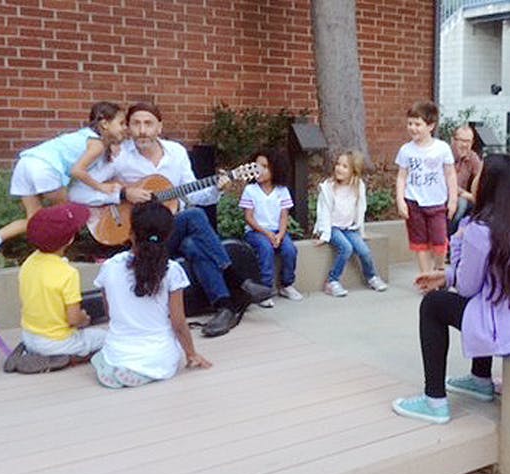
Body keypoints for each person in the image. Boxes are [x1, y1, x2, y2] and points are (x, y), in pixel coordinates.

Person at [392, 154, 510, 424]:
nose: (475, 178)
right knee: (489, 297)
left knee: (433, 305)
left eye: (480, 173)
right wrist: (447, 275)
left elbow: (469, 289)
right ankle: (479, 380)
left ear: (490, 186)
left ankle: (434, 401)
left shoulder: (480, 230)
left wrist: (458, 242)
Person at [110, 102, 273, 337]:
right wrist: (124, 194)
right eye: (136, 123)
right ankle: (237, 279)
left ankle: (224, 306)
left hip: (172, 231)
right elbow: (92, 190)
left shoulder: (175, 153)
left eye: (148, 124)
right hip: (139, 237)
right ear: (128, 127)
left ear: (159, 127)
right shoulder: (119, 157)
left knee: (193, 245)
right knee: (194, 216)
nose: (142, 130)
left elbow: (195, 194)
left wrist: (218, 188)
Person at [0, 101, 126, 275]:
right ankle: (55, 257)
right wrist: (100, 187)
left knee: (35, 220)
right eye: (121, 123)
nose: (125, 128)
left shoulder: (88, 138)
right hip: (45, 168)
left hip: (26, 163)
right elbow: (77, 171)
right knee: (65, 217)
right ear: (105, 124)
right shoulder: (97, 145)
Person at [91, 202, 212, 388]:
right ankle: (141, 371)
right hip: (158, 356)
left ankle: (117, 369)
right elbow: (178, 322)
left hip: (117, 351)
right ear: (168, 235)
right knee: (162, 356)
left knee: (104, 356)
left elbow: (109, 312)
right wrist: (191, 353)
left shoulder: (109, 266)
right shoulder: (172, 271)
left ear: (131, 233)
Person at [8, 203, 106, 373]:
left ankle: (31, 353)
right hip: (57, 342)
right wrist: (84, 318)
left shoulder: (29, 262)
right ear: (69, 239)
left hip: (29, 336)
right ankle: (64, 359)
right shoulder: (67, 273)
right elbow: (73, 320)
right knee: (106, 338)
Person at [312, 150, 388, 297]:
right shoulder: (328, 187)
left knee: (364, 251)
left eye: (345, 166)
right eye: (338, 164)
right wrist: (324, 235)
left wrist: (361, 231)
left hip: (349, 228)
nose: (339, 168)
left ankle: (372, 277)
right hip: (332, 228)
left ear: (354, 171)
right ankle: (332, 281)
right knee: (346, 248)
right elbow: (324, 213)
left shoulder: (358, 186)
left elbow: (361, 209)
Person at [395, 101, 458, 274]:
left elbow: (450, 174)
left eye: (418, 124)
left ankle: (438, 268)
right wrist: (400, 200)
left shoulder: (442, 148)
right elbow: (402, 177)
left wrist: (452, 200)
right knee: (419, 242)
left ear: (430, 126)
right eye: (410, 123)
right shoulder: (406, 150)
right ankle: (425, 276)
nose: (413, 128)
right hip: (413, 202)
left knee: (439, 241)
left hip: (437, 203)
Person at [239, 147, 303, 307]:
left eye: (265, 167)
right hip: (256, 232)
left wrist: (281, 234)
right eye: (256, 166)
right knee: (265, 248)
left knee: (290, 249)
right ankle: (264, 290)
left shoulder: (282, 191)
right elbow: (249, 217)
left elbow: (284, 216)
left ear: (276, 169)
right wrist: (266, 233)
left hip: (277, 231)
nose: (259, 170)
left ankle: (287, 285)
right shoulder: (250, 190)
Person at [449, 125, 483, 235]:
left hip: (465, 197)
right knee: (462, 203)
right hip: (444, 195)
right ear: (453, 140)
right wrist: (468, 195)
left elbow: (481, 178)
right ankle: (450, 238)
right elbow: (446, 183)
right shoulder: (445, 155)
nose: (465, 145)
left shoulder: (472, 157)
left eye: (468, 141)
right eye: (461, 141)